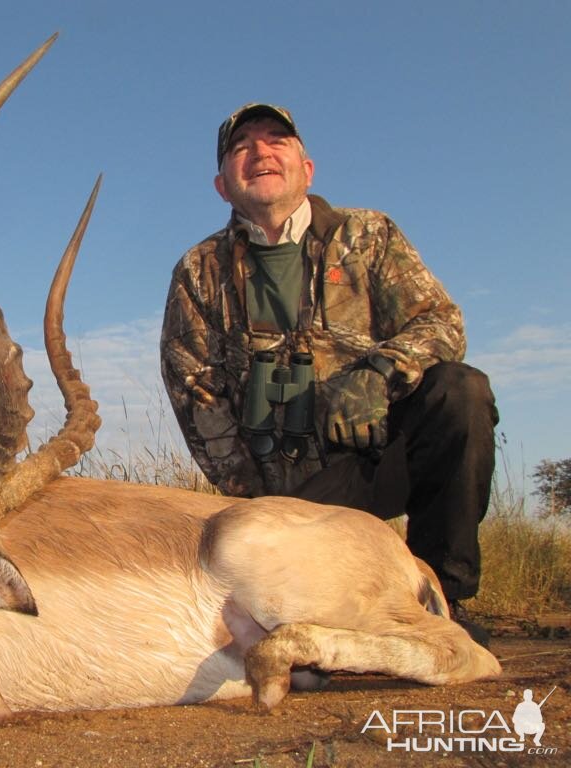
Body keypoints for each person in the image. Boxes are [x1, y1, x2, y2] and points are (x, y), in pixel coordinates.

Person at [160, 103, 498, 645]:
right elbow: (196, 393)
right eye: (242, 146)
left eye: (276, 140)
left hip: (372, 460)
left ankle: (446, 606)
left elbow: (440, 322)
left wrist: (380, 372)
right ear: (223, 184)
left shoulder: (368, 234)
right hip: (282, 498)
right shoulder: (200, 270)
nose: (260, 152)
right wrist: (253, 504)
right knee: (267, 597)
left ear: (307, 168)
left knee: (460, 392)